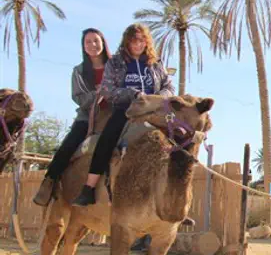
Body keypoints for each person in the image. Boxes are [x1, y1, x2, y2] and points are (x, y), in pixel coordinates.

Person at [72, 23, 174, 206]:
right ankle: (89, 188)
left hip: (155, 110)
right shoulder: (115, 62)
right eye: (134, 41)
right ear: (127, 42)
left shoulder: (156, 63)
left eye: (141, 40)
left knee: (181, 137)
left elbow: (168, 86)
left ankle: (176, 196)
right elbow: (108, 89)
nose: (138, 45)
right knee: (107, 139)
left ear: (147, 42)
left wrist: (160, 97)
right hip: (127, 110)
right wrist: (132, 94)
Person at [32, 28, 112, 206]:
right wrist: (98, 94)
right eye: (88, 42)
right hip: (88, 116)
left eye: (96, 41)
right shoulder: (79, 71)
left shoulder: (116, 66)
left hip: (114, 115)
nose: (92, 45)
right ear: (83, 47)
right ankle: (49, 182)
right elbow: (78, 97)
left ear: (103, 42)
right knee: (68, 145)